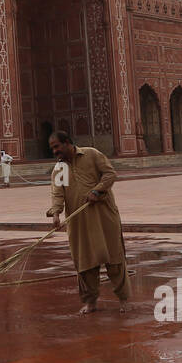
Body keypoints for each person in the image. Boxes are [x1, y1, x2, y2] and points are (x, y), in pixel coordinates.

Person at [46, 131, 131, 314]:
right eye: (52, 148)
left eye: (56, 147)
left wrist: (97, 191)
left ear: (67, 142)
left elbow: (109, 175)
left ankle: (123, 299)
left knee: (114, 258)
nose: (54, 151)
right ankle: (91, 302)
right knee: (85, 263)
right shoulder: (60, 168)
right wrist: (56, 214)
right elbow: (57, 193)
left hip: (104, 216)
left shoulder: (91, 154)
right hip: (79, 221)